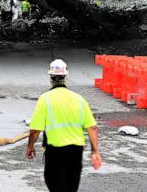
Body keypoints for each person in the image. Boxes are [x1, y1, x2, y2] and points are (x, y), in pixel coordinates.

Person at [26, 59, 101, 192]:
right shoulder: (79, 99)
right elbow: (92, 127)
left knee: (55, 186)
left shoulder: (45, 99)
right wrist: (95, 152)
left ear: (51, 78)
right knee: (70, 188)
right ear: (66, 78)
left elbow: (35, 130)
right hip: (75, 151)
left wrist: (30, 147)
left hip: (55, 151)